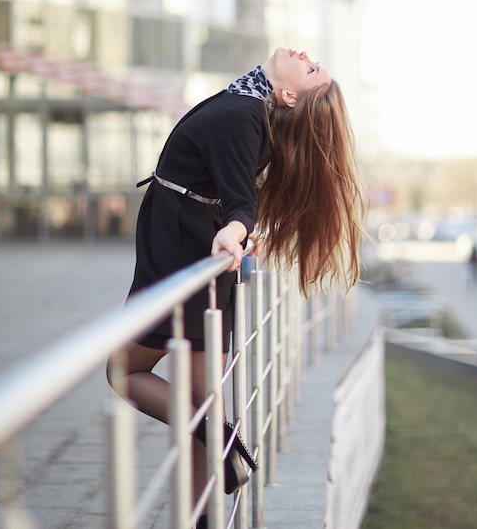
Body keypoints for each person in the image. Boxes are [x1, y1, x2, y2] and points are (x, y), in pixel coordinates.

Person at [107, 48, 366, 529]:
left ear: (288, 94)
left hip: (182, 248)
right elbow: (237, 182)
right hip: (186, 239)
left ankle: (218, 441)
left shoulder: (245, 114)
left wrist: (237, 229)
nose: (306, 54)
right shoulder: (249, 106)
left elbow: (240, 201)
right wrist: (238, 229)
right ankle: (210, 484)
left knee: (123, 372)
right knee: (204, 403)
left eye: (311, 69)